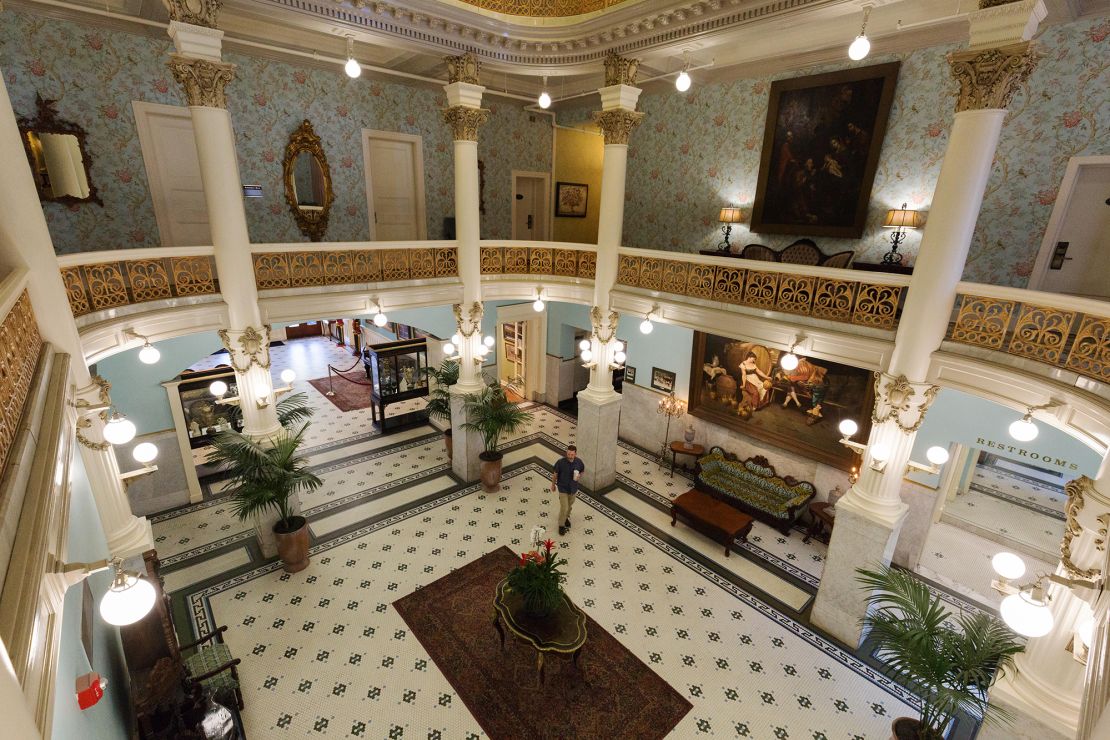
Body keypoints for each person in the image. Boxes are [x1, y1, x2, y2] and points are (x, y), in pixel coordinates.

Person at [552, 445, 585, 536]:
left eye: (572, 454)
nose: (570, 456)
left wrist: (579, 476)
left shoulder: (579, 462)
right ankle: (561, 525)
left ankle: (566, 517)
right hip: (562, 488)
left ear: (575, 454)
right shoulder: (560, 462)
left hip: (573, 488)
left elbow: (582, 470)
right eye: (568, 454)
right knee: (564, 507)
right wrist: (553, 485)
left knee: (569, 506)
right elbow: (555, 474)